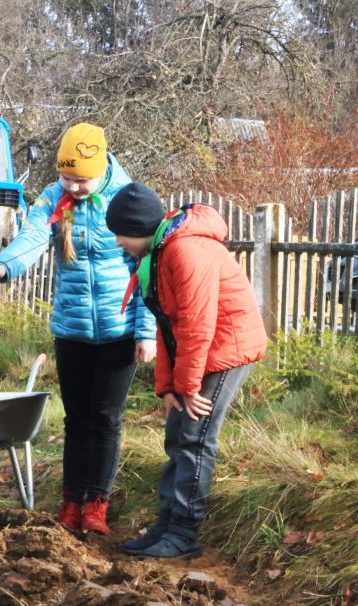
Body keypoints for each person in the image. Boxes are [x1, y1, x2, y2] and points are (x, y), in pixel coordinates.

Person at [0, 123, 157, 536]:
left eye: (82, 180)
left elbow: (148, 269)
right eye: (67, 178)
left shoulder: (126, 199)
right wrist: (5, 265)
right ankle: (70, 500)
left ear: (101, 170)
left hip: (119, 330)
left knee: (106, 419)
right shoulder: (52, 199)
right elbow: (32, 238)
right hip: (72, 329)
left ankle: (97, 503)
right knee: (77, 419)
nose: (74, 187)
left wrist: (145, 331)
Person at [105, 189, 268, 559]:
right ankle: (166, 523)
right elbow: (167, 324)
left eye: (121, 234)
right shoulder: (159, 252)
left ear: (140, 228)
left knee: (195, 436)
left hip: (228, 347)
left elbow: (197, 324)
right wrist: (168, 387)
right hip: (202, 346)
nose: (118, 242)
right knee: (177, 433)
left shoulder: (185, 250)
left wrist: (188, 386)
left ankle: (184, 533)